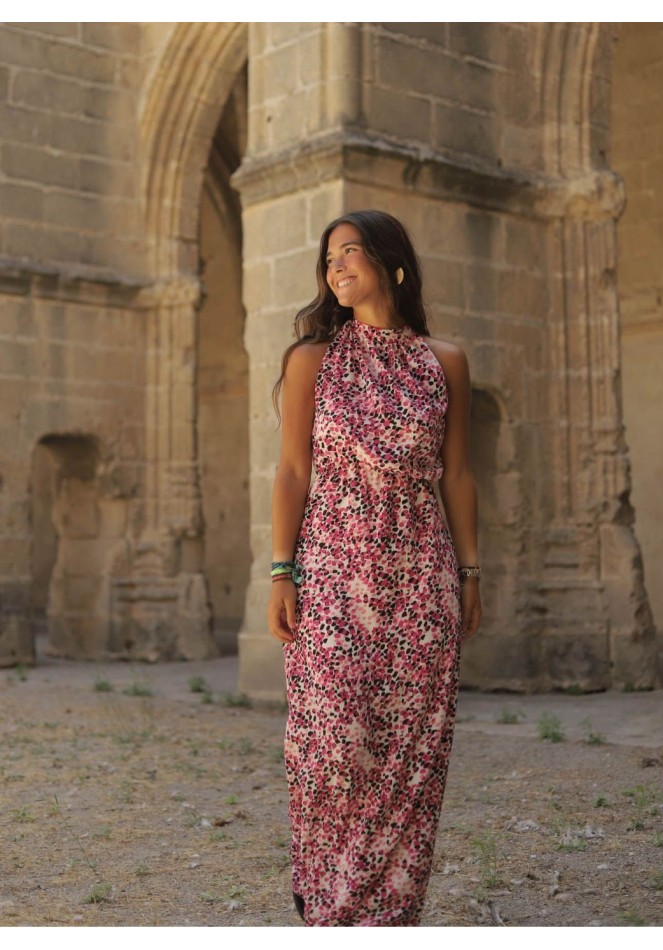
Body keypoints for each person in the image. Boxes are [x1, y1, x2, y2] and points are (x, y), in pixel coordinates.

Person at [267, 209, 481, 927]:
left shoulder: (444, 359)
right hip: (331, 573)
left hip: (422, 579)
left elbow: (458, 474)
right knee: (328, 744)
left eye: (351, 251)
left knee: (412, 756)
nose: (337, 266)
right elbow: (294, 470)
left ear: (392, 265)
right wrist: (279, 570)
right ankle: (329, 910)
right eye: (329, 258)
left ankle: (389, 918)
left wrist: (470, 574)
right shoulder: (312, 360)